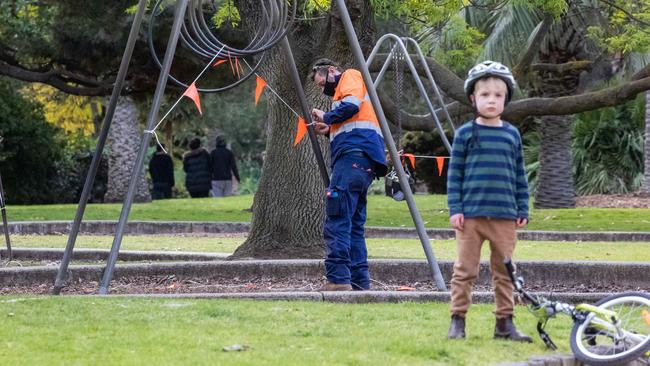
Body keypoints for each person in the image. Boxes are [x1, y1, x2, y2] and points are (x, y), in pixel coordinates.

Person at [446, 61, 532, 342]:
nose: (491, 100)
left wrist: (522, 208)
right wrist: (456, 209)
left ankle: (504, 324)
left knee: (505, 270)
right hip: (470, 217)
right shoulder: (465, 134)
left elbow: (520, 175)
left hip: (505, 216)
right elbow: (455, 175)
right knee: (465, 270)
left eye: (497, 95)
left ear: (506, 98)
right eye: (485, 95)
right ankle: (457, 321)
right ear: (473, 98)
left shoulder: (511, 134)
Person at [310, 59, 387, 291]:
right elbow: (353, 123)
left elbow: (352, 105)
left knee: (338, 220)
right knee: (353, 224)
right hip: (363, 160)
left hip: (352, 159)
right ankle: (359, 281)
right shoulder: (343, 94)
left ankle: (338, 279)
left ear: (332, 71)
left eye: (322, 81)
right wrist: (329, 130)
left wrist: (326, 117)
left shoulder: (350, 76)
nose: (322, 88)